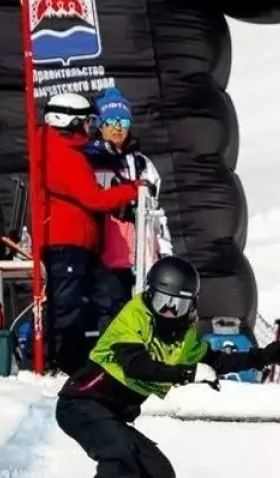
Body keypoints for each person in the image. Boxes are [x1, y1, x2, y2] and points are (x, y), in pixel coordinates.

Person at [54, 256, 280, 478]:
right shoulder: (134, 316)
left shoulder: (183, 336)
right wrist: (186, 373)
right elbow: (136, 365)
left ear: (192, 306)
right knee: (119, 451)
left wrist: (263, 357)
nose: (170, 312)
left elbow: (215, 361)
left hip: (113, 415)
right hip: (81, 403)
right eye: (163, 302)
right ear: (149, 295)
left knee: (160, 475)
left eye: (179, 305)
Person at [38, 92, 145, 375]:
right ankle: (63, 364)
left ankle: (105, 357)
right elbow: (94, 198)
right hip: (66, 243)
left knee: (108, 294)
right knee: (68, 306)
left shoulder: (61, 148)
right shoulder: (63, 154)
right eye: (87, 122)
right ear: (70, 122)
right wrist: (132, 189)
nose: (91, 128)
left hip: (80, 244)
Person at [85, 87, 172, 330]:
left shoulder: (143, 164)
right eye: (111, 121)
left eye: (123, 121)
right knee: (111, 320)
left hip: (142, 259)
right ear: (100, 124)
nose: (118, 128)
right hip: (104, 260)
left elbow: (157, 215)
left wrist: (165, 253)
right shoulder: (89, 161)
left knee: (144, 320)